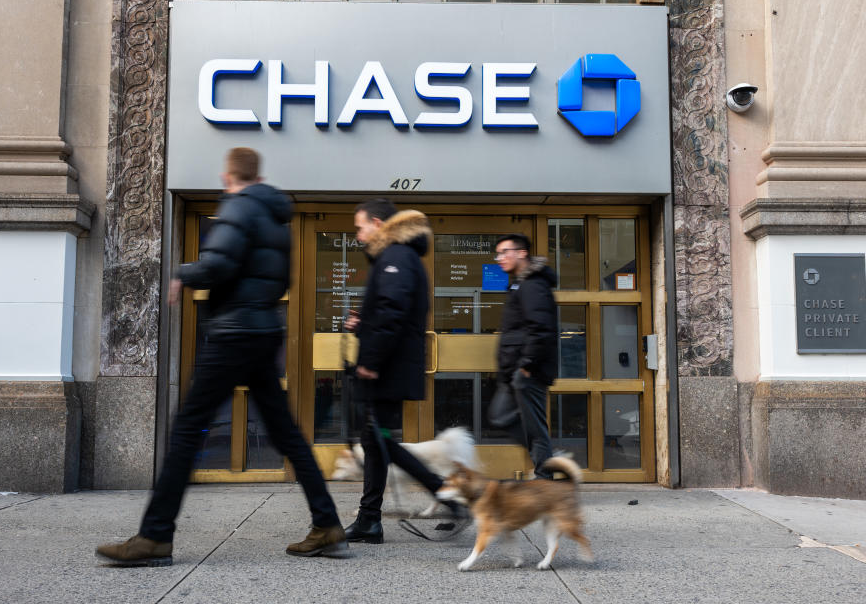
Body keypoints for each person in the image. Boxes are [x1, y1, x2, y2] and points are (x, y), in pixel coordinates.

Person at [96, 148, 347, 566]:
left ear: (228, 175)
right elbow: (275, 277)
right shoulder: (276, 218)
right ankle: (327, 524)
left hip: (233, 334)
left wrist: (182, 273)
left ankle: (155, 536)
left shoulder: (239, 207)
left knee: (188, 428)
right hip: (263, 332)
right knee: (287, 433)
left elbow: (219, 263)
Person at [343, 199, 464, 544]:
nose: (359, 234)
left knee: (380, 442)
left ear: (378, 223)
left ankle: (445, 494)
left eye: (360, 226)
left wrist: (371, 361)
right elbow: (388, 312)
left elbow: (393, 311)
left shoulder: (396, 257)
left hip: (387, 369)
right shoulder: (397, 257)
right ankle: (369, 519)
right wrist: (362, 323)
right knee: (376, 441)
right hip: (388, 366)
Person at [493, 233, 558, 479]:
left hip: (527, 369)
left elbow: (540, 327)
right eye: (497, 253)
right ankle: (550, 459)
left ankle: (546, 477)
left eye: (504, 252)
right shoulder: (519, 284)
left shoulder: (533, 284)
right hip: (515, 370)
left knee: (535, 428)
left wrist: (527, 365)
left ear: (522, 253)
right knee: (501, 416)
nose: (500, 258)